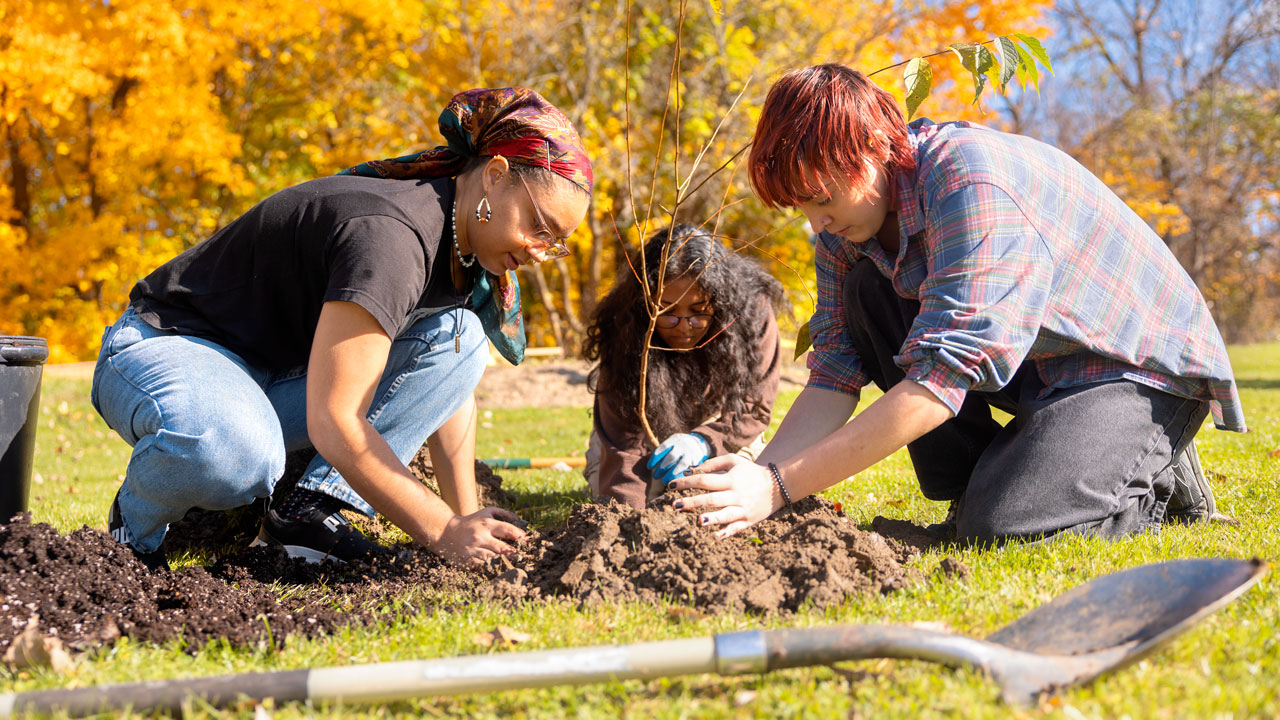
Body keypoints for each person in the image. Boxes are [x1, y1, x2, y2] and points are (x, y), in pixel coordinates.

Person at [673, 64, 1245, 543]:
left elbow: (941, 379)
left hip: (1129, 367)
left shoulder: (967, 182)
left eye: (822, 198)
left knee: (1003, 529)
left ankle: (1155, 473)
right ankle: (992, 482)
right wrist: (760, 475)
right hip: (1037, 361)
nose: (815, 222)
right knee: (867, 293)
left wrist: (777, 487)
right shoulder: (843, 233)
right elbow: (834, 374)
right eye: (800, 206)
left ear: (871, 148)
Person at [91, 87, 593, 569]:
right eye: (539, 225)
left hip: (268, 380)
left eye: (556, 242)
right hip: (164, 347)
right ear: (495, 176)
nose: (539, 250)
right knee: (237, 452)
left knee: (460, 338)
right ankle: (130, 536)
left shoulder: (463, 253)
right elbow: (336, 420)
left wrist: (466, 524)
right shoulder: (393, 238)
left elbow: (448, 391)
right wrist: (440, 529)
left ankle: (304, 516)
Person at [581, 224, 786, 508]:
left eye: (698, 311)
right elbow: (623, 446)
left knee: (723, 499)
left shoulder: (752, 314)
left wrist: (704, 441)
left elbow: (753, 408)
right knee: (643, 501)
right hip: (638, 440)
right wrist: (626, 521)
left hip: (726, 431)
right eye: (667, 312)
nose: (684, 327)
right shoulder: (625, 326)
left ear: (720, 301)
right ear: (647, 303)